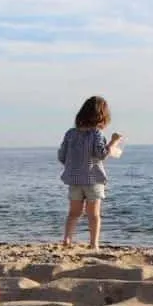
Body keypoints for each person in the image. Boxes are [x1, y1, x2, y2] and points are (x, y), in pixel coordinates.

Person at [58, 96, 124, 250]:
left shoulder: (70, 133)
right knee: (93, 214)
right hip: (93, 179)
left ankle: (67, 239)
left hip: (74, 180)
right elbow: (101, 154)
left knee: (73, 213)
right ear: (102, 116)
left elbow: (62, 156)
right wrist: (113, 141)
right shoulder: (96, 134)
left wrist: (74, 165)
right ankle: (94, 244)